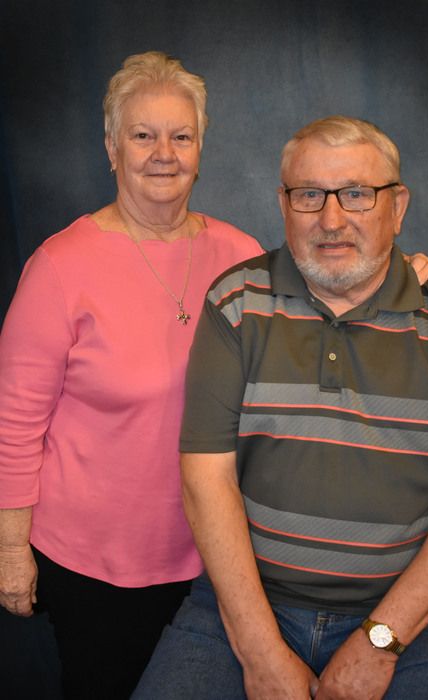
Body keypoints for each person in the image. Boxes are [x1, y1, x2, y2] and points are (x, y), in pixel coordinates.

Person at [132, 116, 428, 700]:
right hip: (249, 604)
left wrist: (380, 641)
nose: (331, 220)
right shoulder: (236, 303)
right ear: (283, 205)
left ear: (397, 207)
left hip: (416, 619)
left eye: (356, 194)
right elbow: (206, 480)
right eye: (309, 196)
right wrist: (259, 649)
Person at [0, 51, 263, 699]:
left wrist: (407, 278)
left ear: (201, 149)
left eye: (181, 136)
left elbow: (318, 323)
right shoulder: (61, 265)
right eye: (143, 135)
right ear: (112, 148)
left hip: (217, 556)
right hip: (92, 567)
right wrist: (9, 550)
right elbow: (13, 423)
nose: (164, 154)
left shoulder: (242, 258)